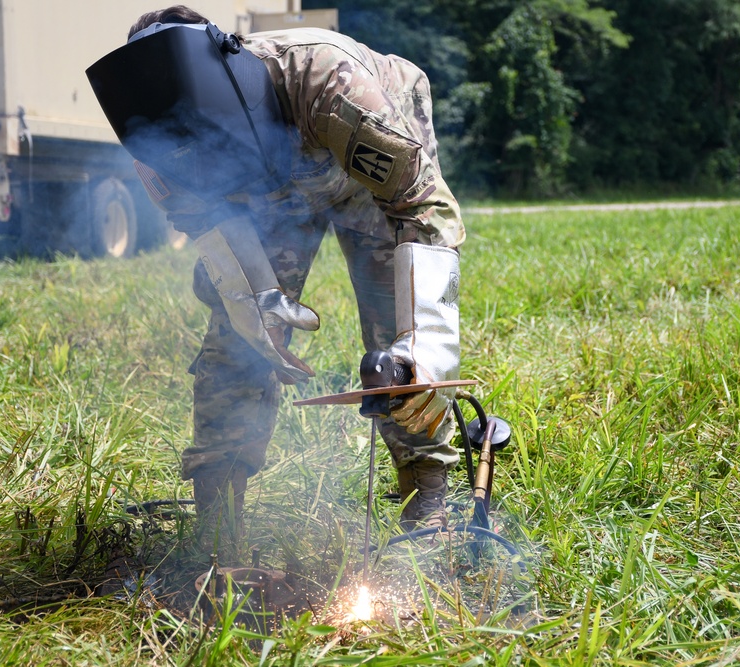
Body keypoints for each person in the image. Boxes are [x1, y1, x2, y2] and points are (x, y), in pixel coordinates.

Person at [87, 6, 465, 560]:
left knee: (400, 352)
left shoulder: (329, 83)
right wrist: (253, 309)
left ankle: (429, 509)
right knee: (232, 346)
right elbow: (209, 228)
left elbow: (424, 209)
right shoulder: (155, 143)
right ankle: (218, 532)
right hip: (273, 194)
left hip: (371, 181)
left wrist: (425, 345)